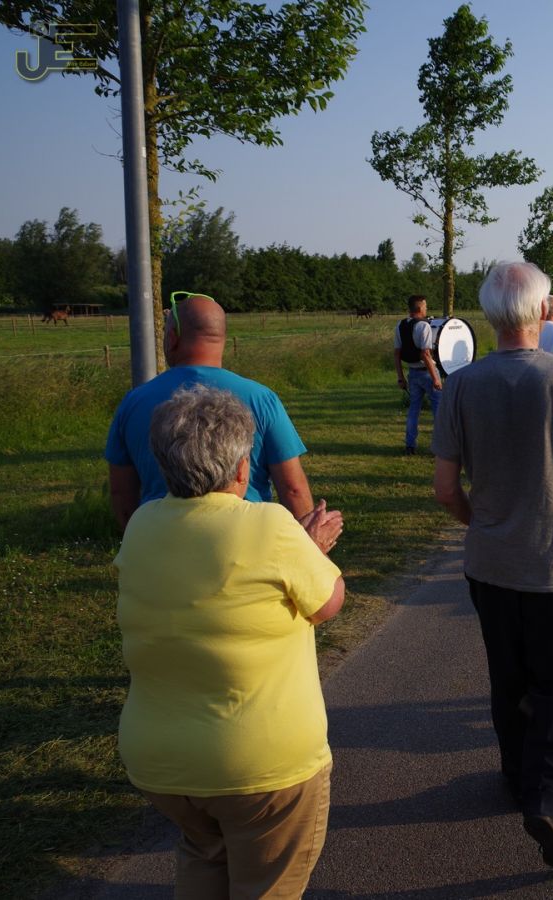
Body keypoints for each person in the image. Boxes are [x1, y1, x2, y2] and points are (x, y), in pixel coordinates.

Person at [433, 261, 553, 872]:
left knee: (509, 674)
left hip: (491, 565)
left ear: (489, 316)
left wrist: (480, 523)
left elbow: (445, 489)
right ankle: (549, 800)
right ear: (544, 312)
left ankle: (518, 777)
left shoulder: (460, 385)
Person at [115, 385, 344, 899]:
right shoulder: (270, 524)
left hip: (161, 763)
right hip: (260, 766)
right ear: (242, 468)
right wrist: (311, 548)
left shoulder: (142, 525)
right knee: (267, 886)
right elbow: (327, 603)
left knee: (205, 851)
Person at [105, 293, 315, 531]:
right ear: (222, 338)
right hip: (244, 537)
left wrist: (138, 537)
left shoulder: (134, 402)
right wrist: (309, 544)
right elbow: (292, 489)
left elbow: (121, 493)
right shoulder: (262, 399)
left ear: (172, 338)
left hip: (163, 536)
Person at [394, 294, 445, 456]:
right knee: (438, 410)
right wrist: (435, 378)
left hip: (412, 373)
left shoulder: (400, 325)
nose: (426, 308)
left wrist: (400, 377)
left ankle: (410, 445)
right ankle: (440, 446)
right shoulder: (424, 326)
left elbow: (397, 354)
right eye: (425, 306)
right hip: (427, 373)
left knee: (413, 410)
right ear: (420, 307)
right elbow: (425, 354)